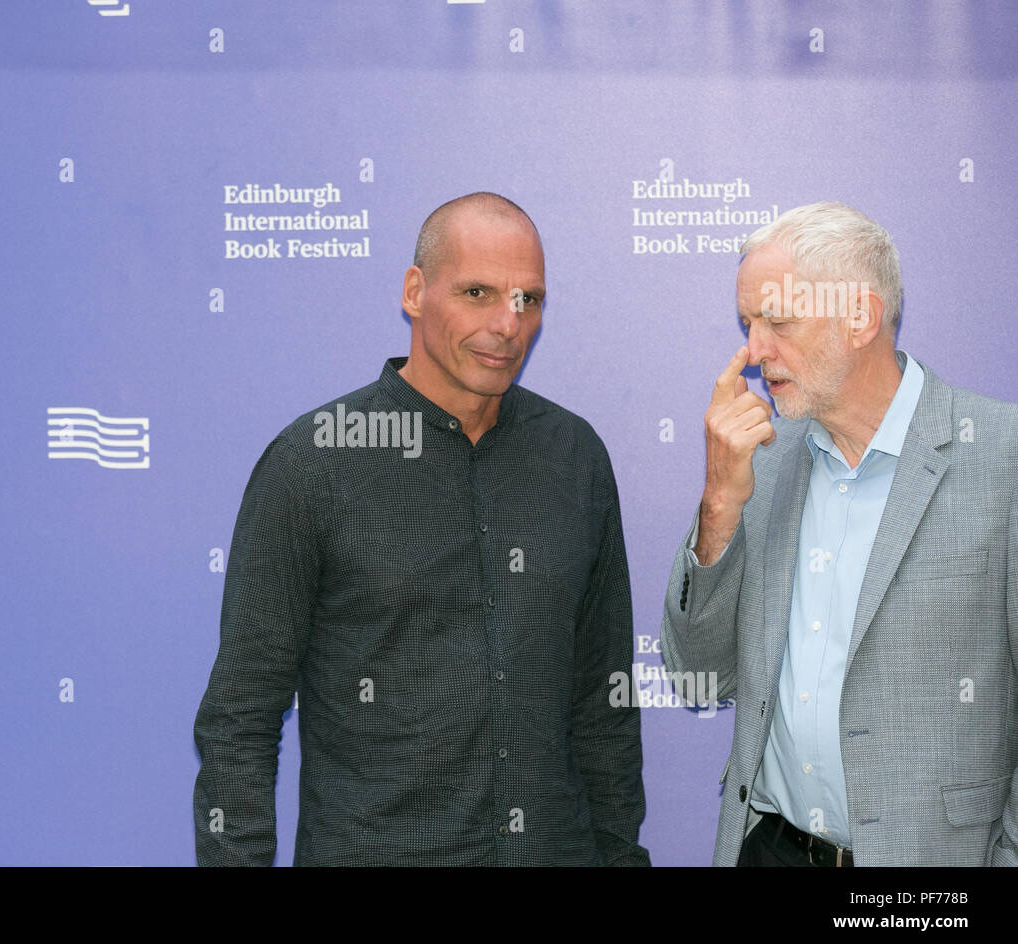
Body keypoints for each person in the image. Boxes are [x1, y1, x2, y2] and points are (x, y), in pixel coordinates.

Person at [193, 192, 649, 865]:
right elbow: (240, 719)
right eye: (477, 292)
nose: (507, 323)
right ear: (415, 291)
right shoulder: (313, 462)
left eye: (529, 299)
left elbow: (603, 709)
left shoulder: (575, 457)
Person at [660, 200, 1018, 866]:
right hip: (768, 849)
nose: (753, 352)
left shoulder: (1003, 457)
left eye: (779, 320)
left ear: (860, 316)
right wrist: (719, 505)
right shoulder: (760, 459)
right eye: (748, 323)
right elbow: (699, 681)